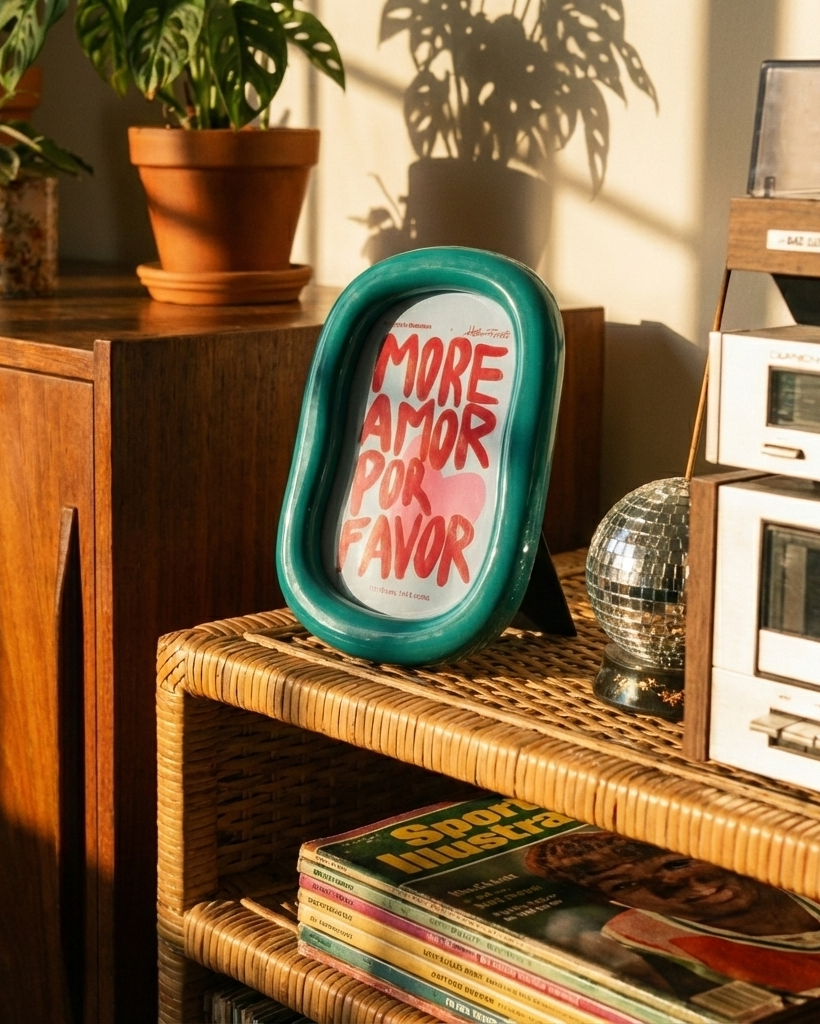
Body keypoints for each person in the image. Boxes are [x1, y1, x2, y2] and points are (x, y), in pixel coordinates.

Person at [524, 830, 820, 996]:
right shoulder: (642, 938)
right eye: (626, 884)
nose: (675, 883)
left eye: (678, 864)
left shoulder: (797, 870)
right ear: (610, 899)